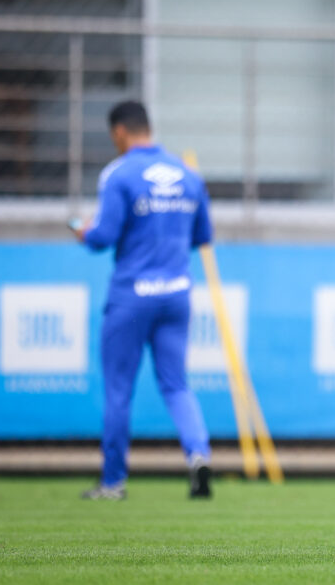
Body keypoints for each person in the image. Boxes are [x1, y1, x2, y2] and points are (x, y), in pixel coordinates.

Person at [73, 101, 213, 500]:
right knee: (176, 385)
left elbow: (103, 237)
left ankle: (113, 482)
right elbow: (202, 236)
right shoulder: (189, 175)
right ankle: (198, 456)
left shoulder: (119, 174)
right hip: (176, 295)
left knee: (119, 390)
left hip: (132, 297)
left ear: (119, 133)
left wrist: (84, 232)